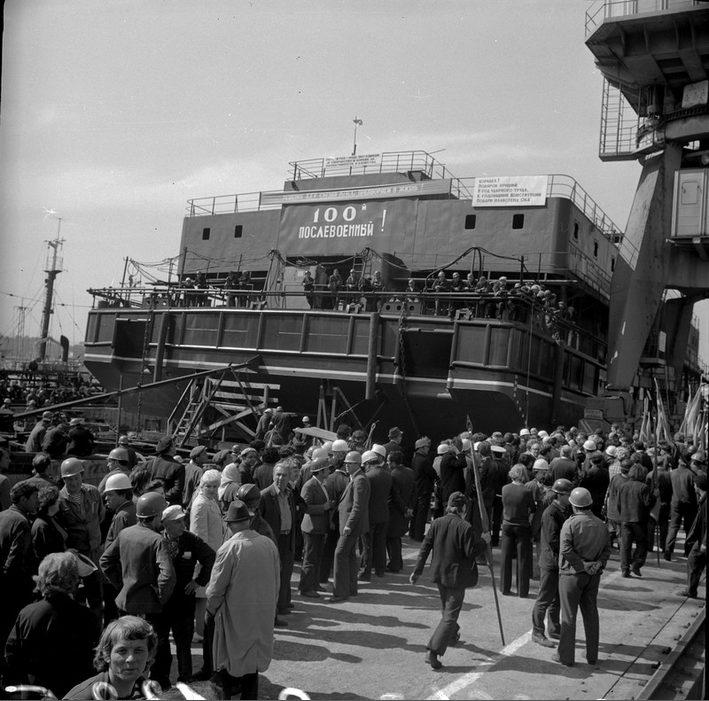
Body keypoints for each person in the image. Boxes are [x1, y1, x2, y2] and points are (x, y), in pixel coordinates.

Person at [99, 492, 176, 690]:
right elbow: (168, 575)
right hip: (149, 608)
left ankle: (129, 684)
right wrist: (160, 597)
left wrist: (121, 585)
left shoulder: (125, 533)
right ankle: (158, 687)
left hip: (126, 604)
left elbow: (105, 561)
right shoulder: (157, 540)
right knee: (156, 650)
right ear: (156, 516)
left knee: (126, 647)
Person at [206, 500, 280, 700]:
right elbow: (277, 582)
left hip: (234, 619)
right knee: (252, 665)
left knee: (228, 664)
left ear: (229, 525)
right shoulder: (268, 544)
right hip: (261, 615)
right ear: (248, 521)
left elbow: (215, 591)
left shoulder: (229, 548)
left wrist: (211, 612)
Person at [410, 492, 489, 670]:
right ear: (463, 508)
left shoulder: (437, 522)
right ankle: (433, 651)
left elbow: (425, 547)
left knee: (447, 608)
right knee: (450, 614)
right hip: (456, 577)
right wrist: (484, 542)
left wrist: (417, 570)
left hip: (440, 574)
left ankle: (451, 635)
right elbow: (471, 552)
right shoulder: (465, 527)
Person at [4, 552, 99, 697]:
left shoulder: (27, 613)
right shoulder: (86, 616)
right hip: (73, 692)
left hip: (35, 691)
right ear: (73, 580)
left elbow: (12, 654)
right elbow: (94, 660)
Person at [555, 486, 611, 667]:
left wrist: (581, 565)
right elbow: (607, 550)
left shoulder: (570, 524)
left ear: (573, 505)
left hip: (571, 575)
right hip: (593, 576)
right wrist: (597, 564)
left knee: (568, 616)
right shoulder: (601, 524)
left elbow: (565, 549)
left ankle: (566, 657)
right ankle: (592, 656)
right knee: (591, 614)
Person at [160, 505, 215, 683]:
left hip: (184, 599)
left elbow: (210, 557)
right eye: (177, 522)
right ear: (166, 524)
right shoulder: (157, 539)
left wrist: (199, 581)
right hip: (162, 601)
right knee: (161, 642)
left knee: (183, 643)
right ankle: (161, 679)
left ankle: (185, 679)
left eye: (183, 520)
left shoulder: (190, 539)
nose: (183, 525)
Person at [64, 615, 159, 700]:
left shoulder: (149, 693)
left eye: (138, 651)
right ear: (107, 654)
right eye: (122, 651)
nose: (131, 659)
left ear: (149, 654)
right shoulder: (82, 697)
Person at [0, 480, 39, 664]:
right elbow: (14, 561)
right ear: (23, 499)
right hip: (13, 590)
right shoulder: (21, 522)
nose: (37, 501)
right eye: (34, 498)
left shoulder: (2, 515)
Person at [531, 478, 572, 647]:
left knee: (557, 598)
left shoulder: (564, 510)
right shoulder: (550, 513)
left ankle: (554, 628)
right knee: (544, 598)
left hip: (559, 562)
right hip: (550, 562)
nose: (570, 497)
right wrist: (571, 547)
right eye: (568, 494)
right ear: (559, 495)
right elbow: (552, 539)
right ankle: (537, 631)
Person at [189, 469, 226, 645]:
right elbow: (198, 535)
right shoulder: (201, 504)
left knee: (205, 596)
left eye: (215, 486)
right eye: (208, 486)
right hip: (205, 558)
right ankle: (199, 631)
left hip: (212, 555)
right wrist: (204, 560)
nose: (212, 489)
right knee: (201, 597)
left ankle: (201, 630)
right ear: (202, 486)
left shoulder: (210, 501)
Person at [259, 459, 299, 617]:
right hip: (272, 541)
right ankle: (273, 611)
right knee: (272, 576)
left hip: (287, 538)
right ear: (273, 475)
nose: (281, 478)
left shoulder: (289, 494)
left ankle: (282, 604)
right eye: (278, 474)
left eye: (284, 475)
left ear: (289, 477)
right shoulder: (265, 495)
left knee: (285, 573)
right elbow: (258, 522)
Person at [330, 450, 370, 603]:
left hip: (350, 526)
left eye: (350, 463)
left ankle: (340, 592)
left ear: (358, 464)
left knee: (339, 554)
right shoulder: (356, 478)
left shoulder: (359, 480)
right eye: (346, 463)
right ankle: (351, 588)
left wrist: (349, 525)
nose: (346, 465)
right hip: (351, 525)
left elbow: (357, 507)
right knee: (351, 556)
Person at [297, 457, 332, 598]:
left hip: (319, 527)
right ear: (321, 471)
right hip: (311, 528)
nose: (329, 471)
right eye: (327, 469)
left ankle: (314, 583)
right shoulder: (310, 485)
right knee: (310, 558)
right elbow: (304, 507)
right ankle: (305, 588)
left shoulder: (321, 484)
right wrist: (323, 507)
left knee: (317, 557)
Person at [500, 464, 535, 597]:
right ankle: (522, 590)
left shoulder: (505, 488)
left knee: (505, 557)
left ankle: (504, 587)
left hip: (507, 524)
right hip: (522, 525)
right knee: (523, 559)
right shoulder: (526, 491)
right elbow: (532, 508)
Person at [360, 447, 392, 581]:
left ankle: (365, 571)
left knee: (367, 545)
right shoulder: (388, 474)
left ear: (368, 463)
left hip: (370, 515)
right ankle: (380, 569)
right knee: (380, 543)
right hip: (384, 513)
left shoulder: (368, 477)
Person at [618, 463, 655, 577]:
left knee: (625, 545)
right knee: (642, 543)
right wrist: (654, 497)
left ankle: (625, 568)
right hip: (639, 520)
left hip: (625, 518)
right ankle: (636, 563)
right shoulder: (643, 487)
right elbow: (648, 504)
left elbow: (618, 504)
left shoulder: (623, 486)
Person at [664, 455, 698, 561]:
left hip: (675, 502)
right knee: (689, 528)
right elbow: (695, 492)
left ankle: (668, 550)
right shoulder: (691, 474)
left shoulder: (672, 473)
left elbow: (668, 489)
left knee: (673, 527)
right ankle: (687, 551)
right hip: (689, 503)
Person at [679, 472, 706, 598]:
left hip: (704, 539)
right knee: (693, 560)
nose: (693, 486)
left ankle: (691, 590)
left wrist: (704, 542)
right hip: (701, 537)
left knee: (694, 559)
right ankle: (691, 590)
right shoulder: (703, 499)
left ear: (698, 486)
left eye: (695, 484)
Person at [386, 450, 414, 573]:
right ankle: (398, 562)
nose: (387, 463)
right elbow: (414, 492)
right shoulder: (411, 472)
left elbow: (395, 496)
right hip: (406, 510)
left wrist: (404, 509)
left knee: (392, 538)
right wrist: (410, 508)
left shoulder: (393, 475)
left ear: (393, 462)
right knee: (397, 538)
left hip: (395, 511)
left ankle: (394, 564)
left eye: (388, 461)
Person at [30, 485, 67, 562]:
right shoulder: (42, 525)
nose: (59, 502)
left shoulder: (54, 517)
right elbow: (48, 554)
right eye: (57, 500)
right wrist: (67, 553)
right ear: (51, 503)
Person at [409, 437, 435, 541]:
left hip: (416, 488)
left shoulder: (415, 459)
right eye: (427, 447)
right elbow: (432, 473)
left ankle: (412, 532)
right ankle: (419, 535)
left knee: (415, 512)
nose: (428, 449)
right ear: (422, 448)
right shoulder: (424, 460)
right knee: (422, 513)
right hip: (424, 489)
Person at [145, 436, 185, 505]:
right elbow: (177, 490)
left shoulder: (148, 464)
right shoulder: (178, 467)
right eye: (174, 445)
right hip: (168, 505)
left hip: (150, 502)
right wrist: (161, 497)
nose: (175, 447)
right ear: (171, 448)